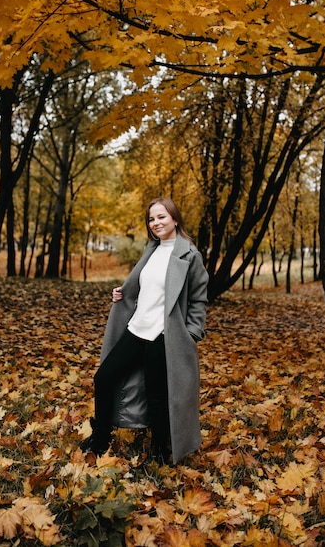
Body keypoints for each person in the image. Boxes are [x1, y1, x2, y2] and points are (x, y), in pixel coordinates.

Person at [80, 197, 209, 464]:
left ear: (175, 219)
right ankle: (101, 437)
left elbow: (198, 298)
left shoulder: (189, 255)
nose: (156, 223)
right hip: (137, 327)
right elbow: (143, 286)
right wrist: (123, 293)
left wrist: (192, 333)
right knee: (104, 378)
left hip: (165, 335)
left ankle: (159, 452)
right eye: (151, 219)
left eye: (162, 217)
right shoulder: (151, 249)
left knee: (157, 395)